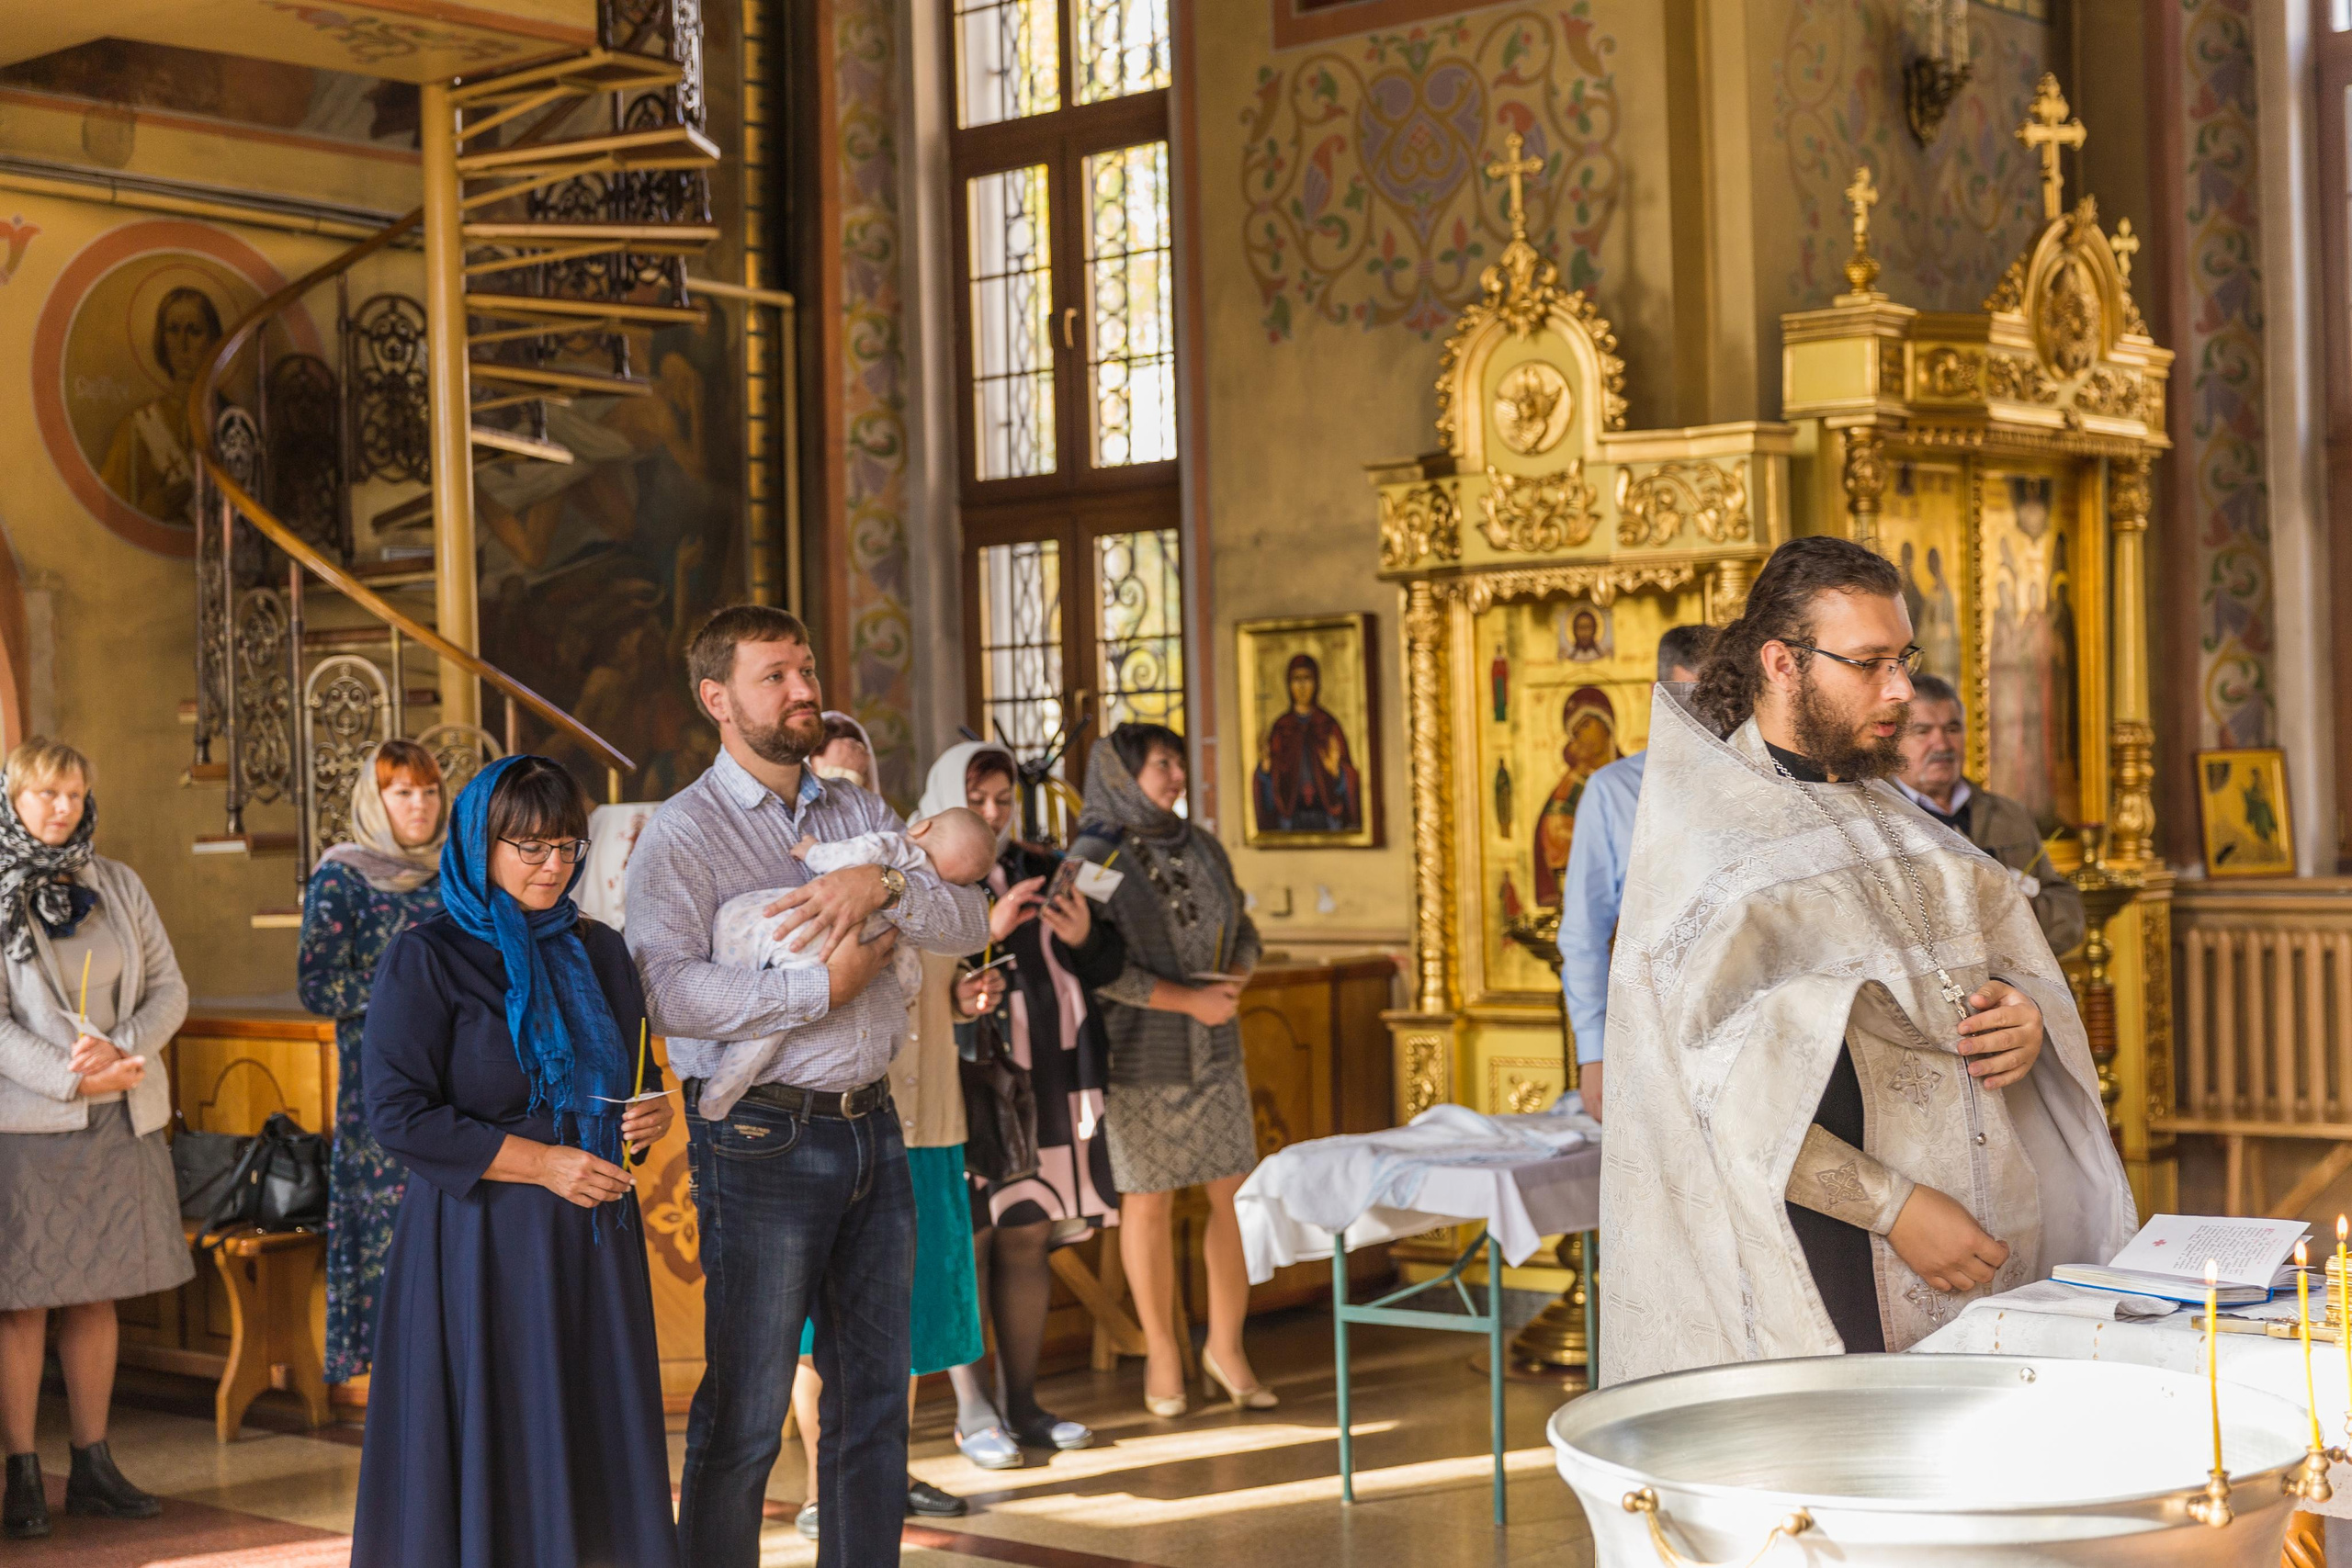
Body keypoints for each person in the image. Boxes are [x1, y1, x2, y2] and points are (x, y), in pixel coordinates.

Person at [1597, 537, 2133, 1385]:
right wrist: (1898, 1209)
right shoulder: (1710, 848)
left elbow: (1998, 968)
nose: (1901, 691)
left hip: (1977, 1238)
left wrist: (2025, 1018)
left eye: (1905, 658)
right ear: (1783, 661)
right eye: (1871, 663)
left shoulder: (1897, 818)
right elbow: (1705, 1095)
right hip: (1829, 1252)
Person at [625, 604, 988, 1568]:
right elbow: (667, 991)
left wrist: (890, 888)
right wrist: (816, 988)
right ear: (718, 699)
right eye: (775, 675)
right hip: (761, 1139)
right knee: (746, 1409)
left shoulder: (856, 810)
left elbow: (966, 919)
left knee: (871, 1400)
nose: (802, 690)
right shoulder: (683, 834)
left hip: (876, 1126)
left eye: (807, 669)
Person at [350, 756, 677, 1568]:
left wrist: (652, 1111)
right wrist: (542, 1164)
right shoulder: (427, 956)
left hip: (593, 1242)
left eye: (568, 846)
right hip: (480, 1244)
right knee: (497, 1442)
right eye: (528, 847)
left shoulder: (600, 950)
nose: (553, 866)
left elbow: (634, 1078)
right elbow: (396, 1113)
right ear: (479, 843)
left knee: (592, 1435)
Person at [0, 739, 190, 1540]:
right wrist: (72, 1075)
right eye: (44, 794)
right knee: (24, 1303)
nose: (60, 809)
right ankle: (19, 1471)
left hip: (122, 1112)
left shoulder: (117, 884)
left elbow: (171, 987)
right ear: (12, 799)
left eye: (73, 795)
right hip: (33, 1122)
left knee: (96, 1291)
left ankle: (94, 1463)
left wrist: (123, 1055)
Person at [1071, 724, 1267, 1417]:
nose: (1177, 773)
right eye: (1162, 762)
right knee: (1147, 1201)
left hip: (1217, 1049)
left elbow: (1245, 926)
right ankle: (1161, 1350)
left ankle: (1227, 1345)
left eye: (1180, 760)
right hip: (1139, 1051)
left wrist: (1236, 979)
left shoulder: (1202, 845)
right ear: (1124, 775)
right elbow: (1081, 963)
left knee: (1235, 1196)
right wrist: (1189, 1000)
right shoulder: (1094, 854)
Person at [939, 741, 1126, 1467]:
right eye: (977, 800)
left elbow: (1104, 965)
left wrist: (1081, 936)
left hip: (1047, 1072)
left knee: (1026, 1232)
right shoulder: (931, 878)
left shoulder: (1041, 865)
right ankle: (972, 1409)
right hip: (973, 1083)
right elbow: (916, 983)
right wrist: (986, 929)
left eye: (1002, 801)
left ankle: (1024, 1402)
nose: (991, 814)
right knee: (971, 1241)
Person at [299, 739, 447, 1386]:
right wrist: (410, 986)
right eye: (403, 792)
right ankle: (401, 1397)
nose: (419, 805)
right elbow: (317, 985)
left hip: (459, 1083)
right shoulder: (342, 876)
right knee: (392, 1242)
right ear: (375, 799)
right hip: (380, 1093)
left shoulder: (458, 872)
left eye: (429, 791)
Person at [701, 807, 998, 1118]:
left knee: (735, 922)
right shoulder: (930, 890)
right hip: (831, 948)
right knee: (777, 1024)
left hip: (804, 921)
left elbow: (854, 853)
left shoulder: (898, 846)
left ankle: (722, 1063)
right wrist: (906, 994)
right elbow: (908, 960)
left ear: (921, 827)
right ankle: (725, 1085)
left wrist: (812, 852)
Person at [1555, 625, 1713, 1121]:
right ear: (1659, 695)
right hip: (1653, 1035)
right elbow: (1584, 933)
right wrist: (1594, 1054)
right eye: (1695, 697)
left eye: (1725, 698)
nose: (1712, 715)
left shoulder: (1766, 783)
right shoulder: (1613, 792)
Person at [1893, 673, 2086, 958]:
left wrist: (2018, 907)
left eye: (1952, 728)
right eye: (1922, 731)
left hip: (2019, 988)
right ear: (1893, 739)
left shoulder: (2008, 815)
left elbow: (2069, 919)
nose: (1943, 745)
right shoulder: (1879, 817)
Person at [1250, 654, 1363, 833]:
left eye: (1307, 679)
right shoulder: (1281, 728)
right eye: (1296, 679)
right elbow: (1269, 784)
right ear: (1289, 684)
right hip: (1289, 820)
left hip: (1327, 818)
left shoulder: (1328, 726)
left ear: (1316, 682)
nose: (1302, 686)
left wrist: (1337, 772)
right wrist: (1264, 771)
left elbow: (1349, 780)